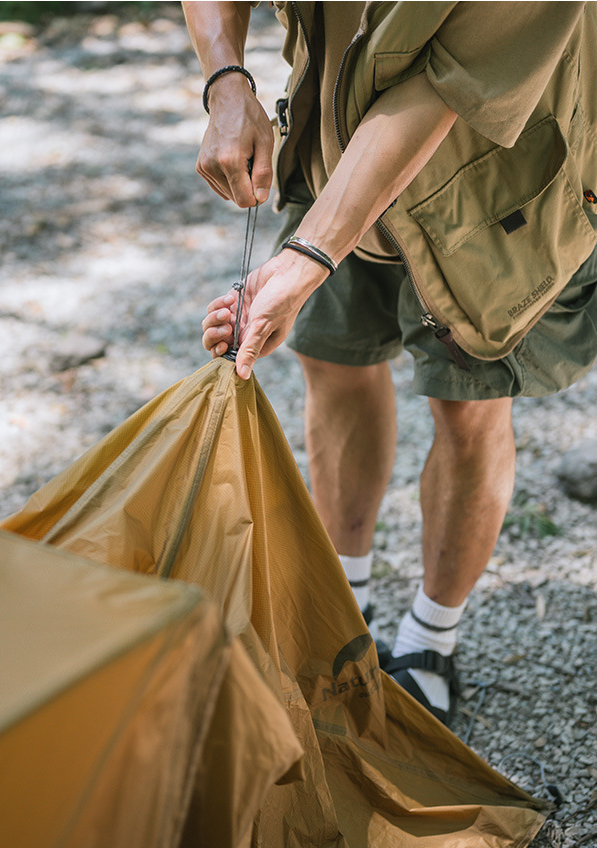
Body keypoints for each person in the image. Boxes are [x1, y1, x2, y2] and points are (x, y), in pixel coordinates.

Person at [183, 0, 597, 726]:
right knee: (333, 361)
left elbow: (445, 82)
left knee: (468, 405)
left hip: (496, 172)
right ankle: (345, 608)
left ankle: (430, 641)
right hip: (333, 132)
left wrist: (306, 258)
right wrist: (225, 80)